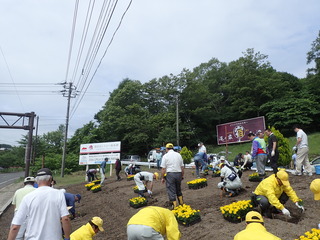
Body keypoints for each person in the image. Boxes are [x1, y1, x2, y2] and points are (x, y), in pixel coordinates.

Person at [8, 168, 71, 240]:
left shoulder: (28, 197)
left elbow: (15, 226)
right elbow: (65, 219)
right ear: (50, 180)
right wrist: (67, 237)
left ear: (36, 181)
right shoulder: (59, 194)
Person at [161, 143, 184, 208]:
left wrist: (162, 177)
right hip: (178, 173)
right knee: (178, 189)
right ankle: (181, 203)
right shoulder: (178, 155)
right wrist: (182, 175)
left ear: (166, 149)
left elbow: (163, 169)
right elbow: (182, 167)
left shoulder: (165, 156)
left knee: (171, 190)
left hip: (170, 174)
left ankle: (174, 206)